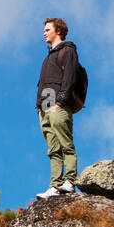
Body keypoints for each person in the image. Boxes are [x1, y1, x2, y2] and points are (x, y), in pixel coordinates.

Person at [34, 17, 79, 199]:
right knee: (52, 148)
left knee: (65, 143)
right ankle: (55, 185)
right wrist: (39, 107)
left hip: (58, 104)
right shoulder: (48, 57)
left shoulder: (67, 50)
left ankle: (69, 181)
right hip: (44, 106)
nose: (44, 32)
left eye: (47, 29)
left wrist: (61, 100)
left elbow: (70, 75)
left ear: (58, 31)